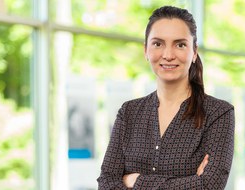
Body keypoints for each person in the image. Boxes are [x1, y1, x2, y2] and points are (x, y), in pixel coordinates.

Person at [97, 5, 235, 189]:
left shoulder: (218, 113)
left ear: (194, 52)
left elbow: (210, 186)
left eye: (180, 44)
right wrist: (191, 182)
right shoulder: (129, 112)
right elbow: (106, 182)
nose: (168, 55)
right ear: (146, 50)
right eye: (158, 44)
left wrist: (135, 180)